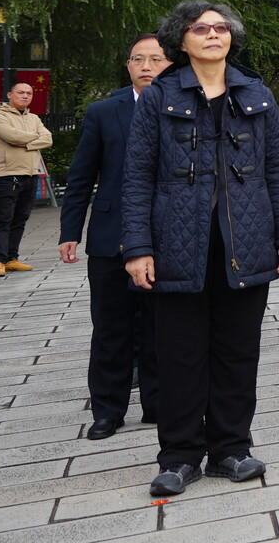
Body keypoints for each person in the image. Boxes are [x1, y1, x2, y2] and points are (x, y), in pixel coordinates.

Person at [121, 1, 279, 496]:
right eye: (201, 29)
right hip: (178, 245)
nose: (213, 35)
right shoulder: (160, 98)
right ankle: (179, 455)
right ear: (181, 40)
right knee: (179, 356)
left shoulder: (256, 94)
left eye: (221, 28)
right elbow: (136, 177)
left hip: (245, 243)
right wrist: (137, 246)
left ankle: (230, 448)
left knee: (237, 352)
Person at [58, 35, 167, 438]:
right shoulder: (104, 112)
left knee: (161, 324)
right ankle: (107, 409)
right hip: (110, 236)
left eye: (156, 58)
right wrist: (70, 230)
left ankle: (158, 402)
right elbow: (82, 174)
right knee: (110, 327)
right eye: (139, 59)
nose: (147, 65)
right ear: (128, 66)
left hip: (164, 236)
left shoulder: (182, 106)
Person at [0, 81, 52, 278]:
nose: (25, 96)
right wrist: (33, 138)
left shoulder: (33, 118)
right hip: (7, 175)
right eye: (20, 92)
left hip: (30, 173)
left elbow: (48, 138)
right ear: (9, 95)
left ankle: (11, 258)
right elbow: (11, 136)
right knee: (4, 219)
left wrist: (27, 144)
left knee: (20, 218)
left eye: (29, 93)